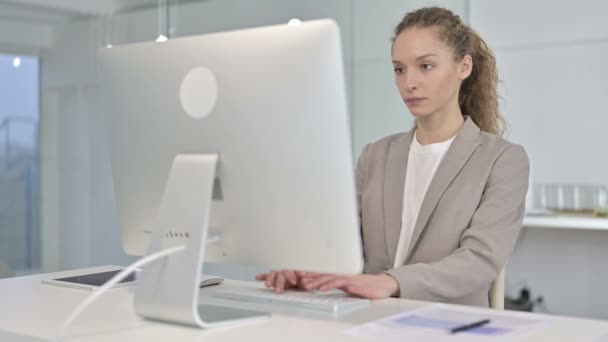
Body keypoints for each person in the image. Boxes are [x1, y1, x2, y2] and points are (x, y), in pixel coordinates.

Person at [257, 6, 529, 307]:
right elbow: (344, 247)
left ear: (464, 67)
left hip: (450, 323)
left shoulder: (502, 160)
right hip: (369, 319)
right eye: (399, 69)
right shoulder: (375, 155)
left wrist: (391, 282)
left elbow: (479, 262)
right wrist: (307, 270)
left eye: (425, 66)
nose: (409, 82)